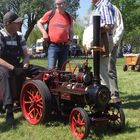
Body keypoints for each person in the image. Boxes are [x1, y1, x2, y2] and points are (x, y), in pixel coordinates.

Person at [0, 11, 30, 126]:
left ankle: (46, 99)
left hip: (16, 64)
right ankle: (9, 110)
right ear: (8, 24)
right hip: (2, 65)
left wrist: (25, 65)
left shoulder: (20, 35)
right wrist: (13, 68)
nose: (19, 24)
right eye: (17, 22)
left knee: (39, 71)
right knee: (5, 75)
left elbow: (26, 55)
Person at [37, 0, 74, 70]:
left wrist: (71, 39)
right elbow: (39, 23)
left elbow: (71, 30)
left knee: (62, 71)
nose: (58, 6)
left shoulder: (69, 17)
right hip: (53, 46)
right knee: (51, 70)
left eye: (60, 4)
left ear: (65, 4)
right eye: (57, 4)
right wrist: (44, 33)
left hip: (65, 47)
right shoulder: (51, 13)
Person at [108, 5, 124, 103]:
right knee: (101, 71)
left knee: (110, 69)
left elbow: (120, 27)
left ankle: (114, 95)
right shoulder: (96, 10)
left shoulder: (113, 9)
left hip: (111, 43)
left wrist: (114, 42)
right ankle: (103, 94)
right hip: (100, 45)